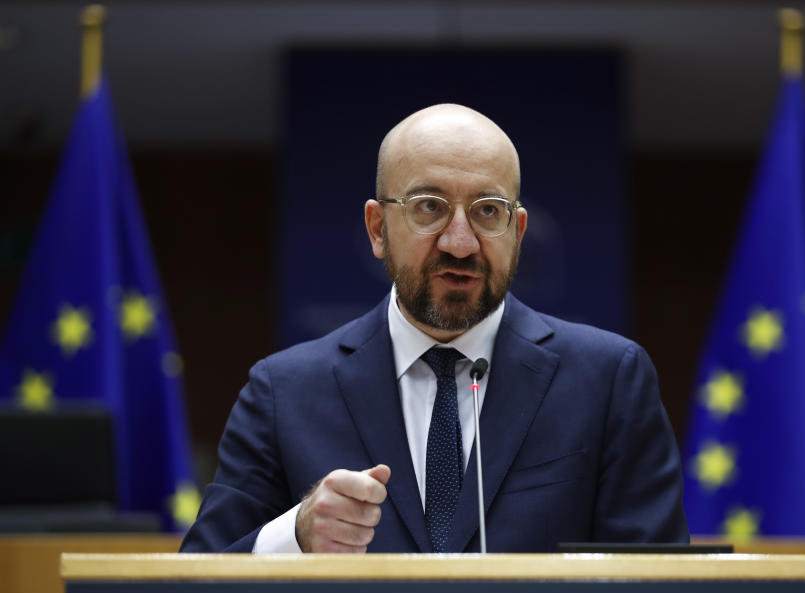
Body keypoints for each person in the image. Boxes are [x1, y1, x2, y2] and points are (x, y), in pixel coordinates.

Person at [180, 104, 688, 553]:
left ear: (518, 231)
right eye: (429, 207)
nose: (460, 242)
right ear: (378, 228)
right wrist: (296, 535)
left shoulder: (608, 380)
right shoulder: (282, 391)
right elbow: (193, 590)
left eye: (489, 211)